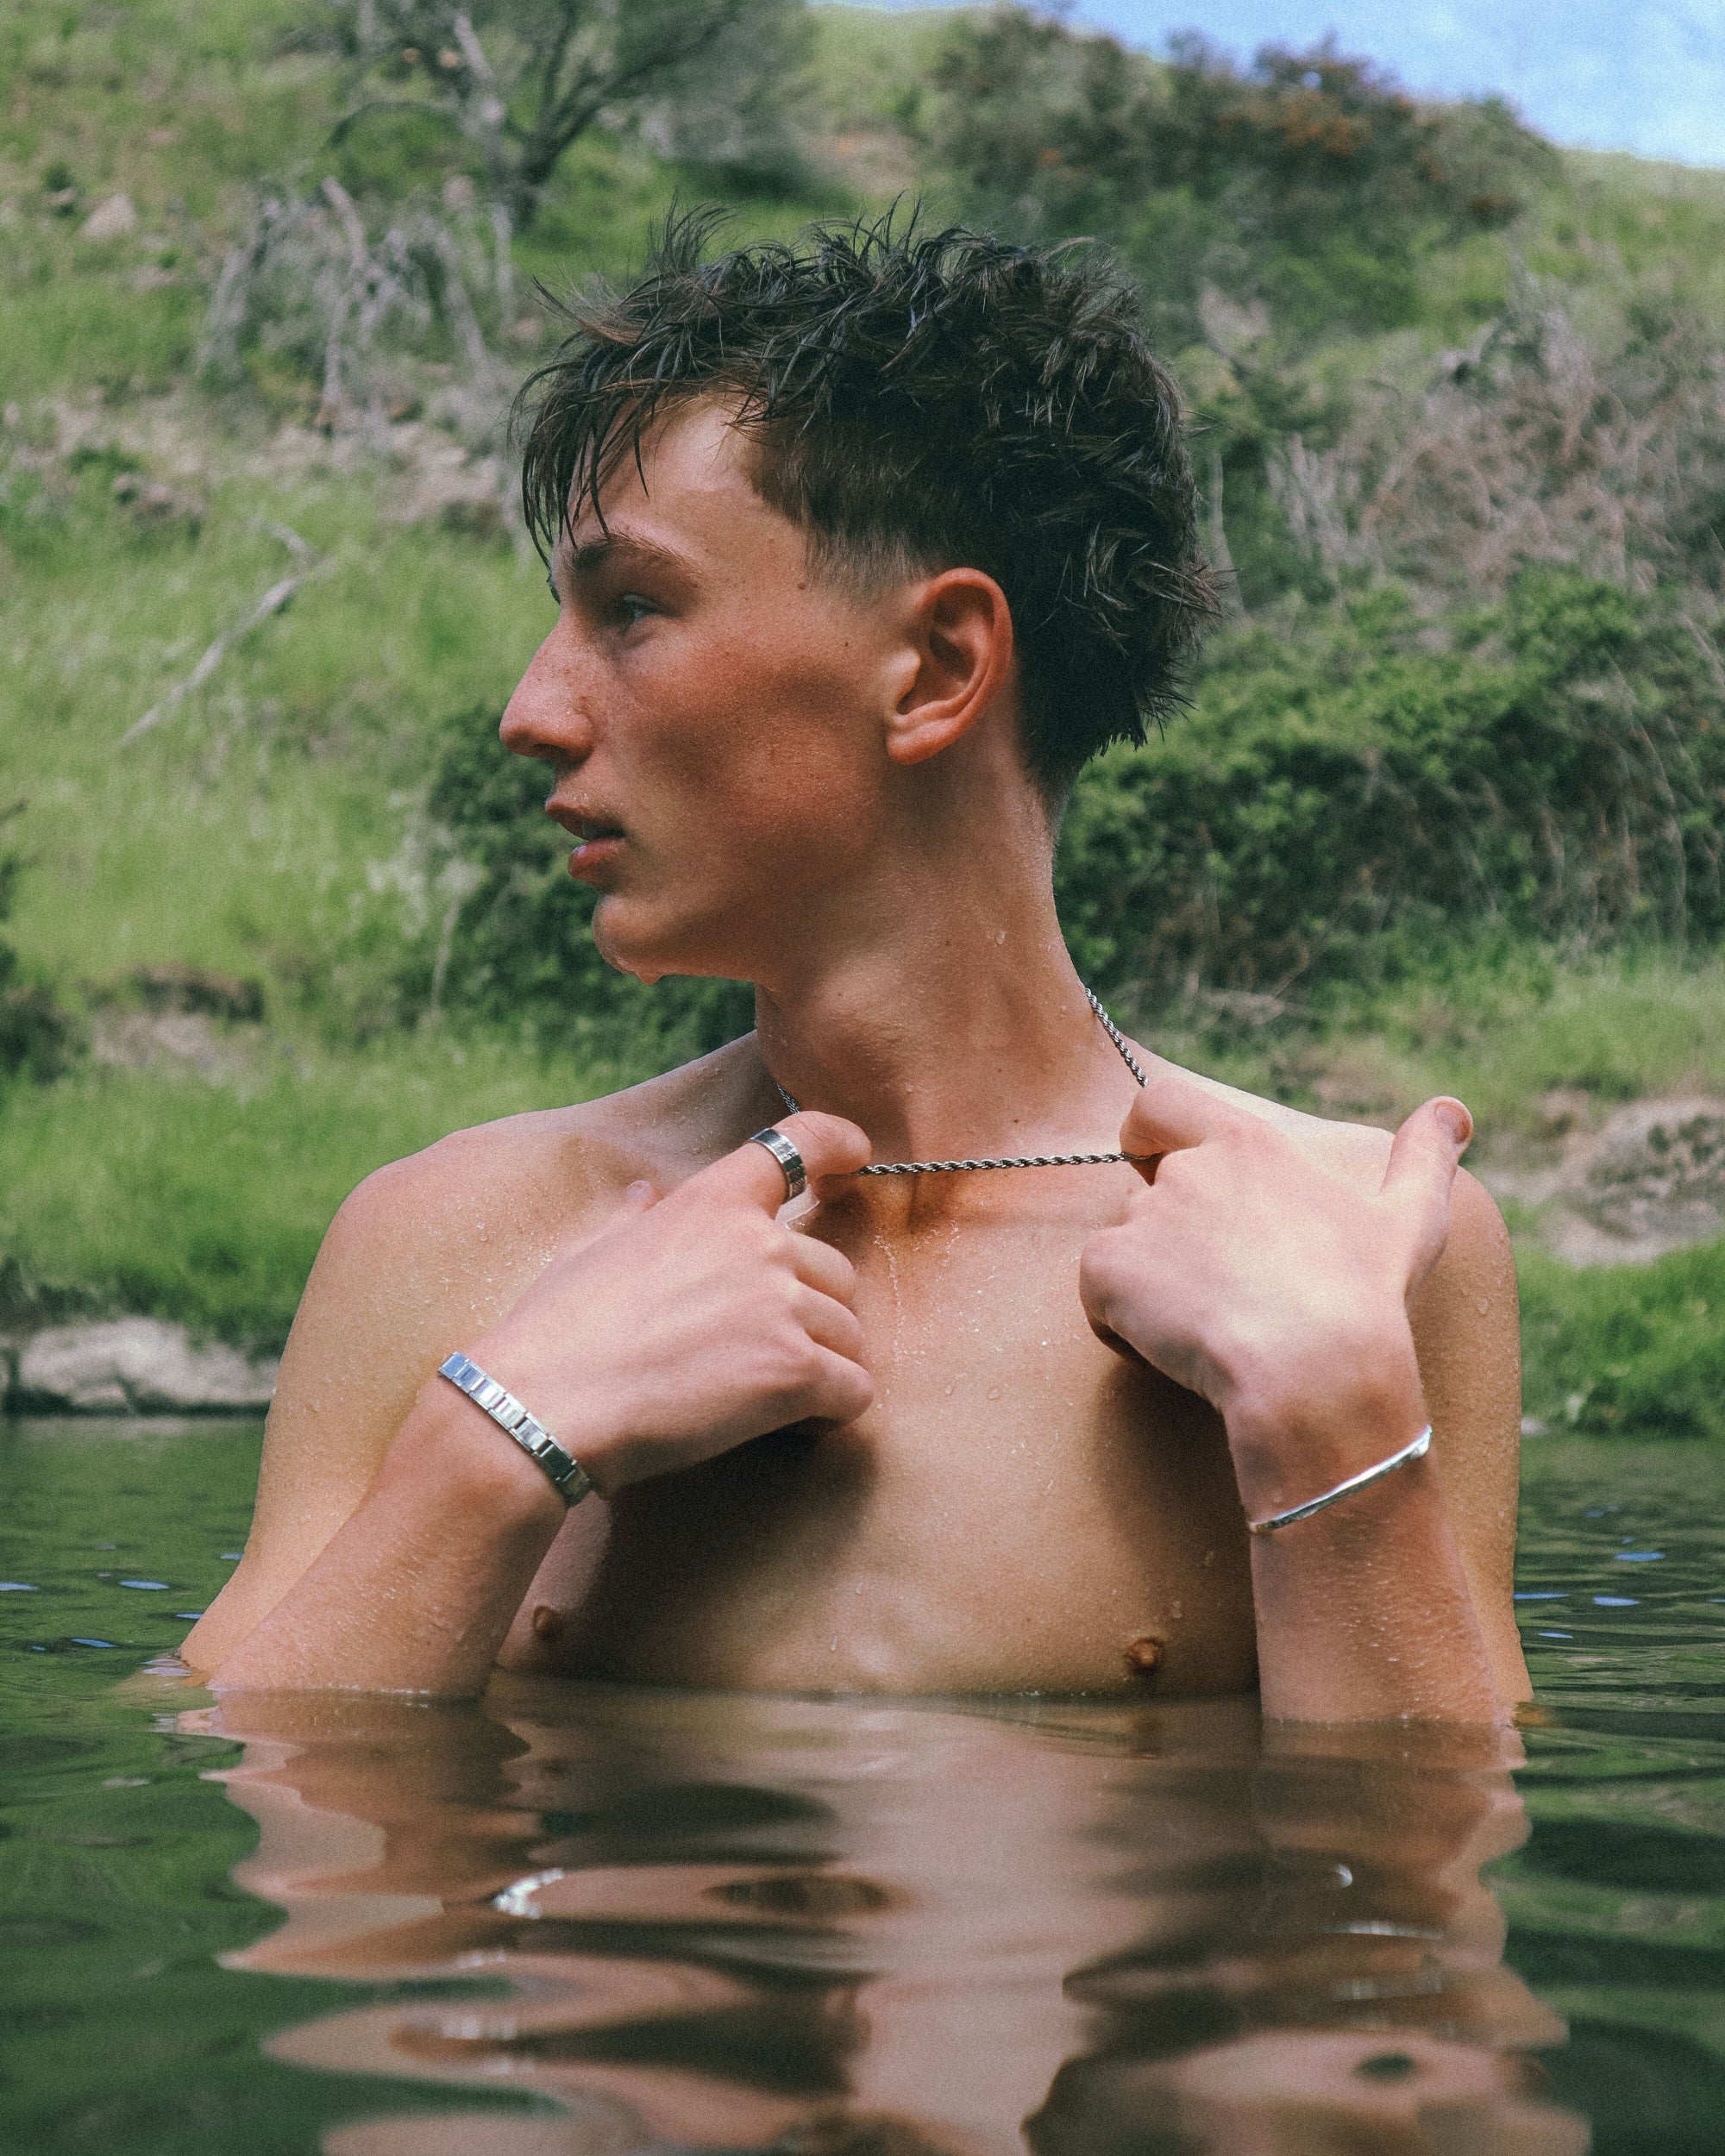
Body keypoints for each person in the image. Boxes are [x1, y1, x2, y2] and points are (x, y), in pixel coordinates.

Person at [181, 217, 1528, 1724]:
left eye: (633, 607)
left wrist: (1334, 1421)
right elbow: (274, 1856)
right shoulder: (442, 1242)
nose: (531, 709)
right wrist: (497, 1443)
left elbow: (1414, 1934)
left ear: (938, 667)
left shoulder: (1365, 1252)